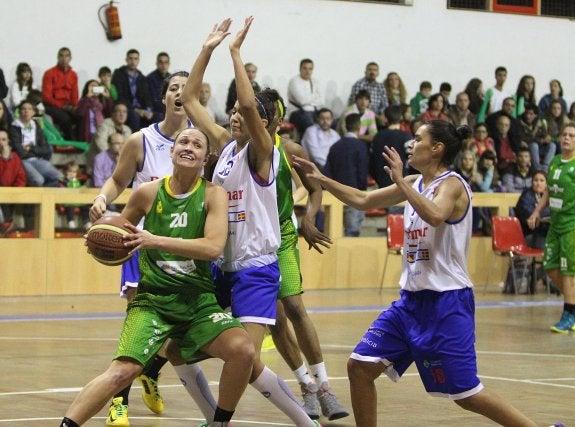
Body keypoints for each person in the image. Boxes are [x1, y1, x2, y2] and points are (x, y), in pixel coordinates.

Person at [292, 120, 542, 427]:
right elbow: (363, 199)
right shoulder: (414, 181)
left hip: (447, 304)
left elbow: (435, 215)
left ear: (435, 149)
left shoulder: (453, 185)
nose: (411, 143)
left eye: (418, 139)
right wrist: (322, 179)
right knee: (359, 367)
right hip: (409, 304)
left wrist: (402, 181)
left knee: (465, 394)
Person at [59, 128, 255, 427]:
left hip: (197, 303)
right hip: (152, 302)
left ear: (206, 158)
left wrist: (156, 240)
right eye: (183, 142)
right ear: (171, 152)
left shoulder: (215, 195)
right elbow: (122, 235)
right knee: (121, 372)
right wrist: (99, 233)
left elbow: (213, 247)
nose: (189, 147)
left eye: (197, 144)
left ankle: (219, 423)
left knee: (243, 350)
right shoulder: (147, 192)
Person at [179, 17, 321, 427]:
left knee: (246, 356)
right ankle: (299, 420)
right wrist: (206, 49)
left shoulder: (264, 153)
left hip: (256, 270)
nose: (238, 115)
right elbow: (189, 98)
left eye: (251, 114)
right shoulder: (224, 147)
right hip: (219, 267)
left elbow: (246, 106)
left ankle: (221, 421)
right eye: (239, 112)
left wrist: (236, 53)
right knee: (176, 349)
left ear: (265, 124)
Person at [89, 71, 192, 427]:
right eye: (174, 88)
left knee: (183, 334)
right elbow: (119, 179)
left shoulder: (202, 141)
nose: (180, 92)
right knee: (137, 325)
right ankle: (120, 400)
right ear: (164, 97)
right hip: (139, 244)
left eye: (186, 87)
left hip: (183, 249)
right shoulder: (141, 140)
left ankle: (152, 369)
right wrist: (103, 198)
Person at [528, 124, 575, 333]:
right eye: (564, 134)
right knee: (549, 266)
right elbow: (548, 191)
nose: (566, 138)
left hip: (571, 226)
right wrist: (537, 211)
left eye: (571, 135)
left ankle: (569, 314)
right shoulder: (555, 162)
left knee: (569, 271)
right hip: (555, 225)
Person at [505, 170, 550, 294]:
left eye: (541, 181)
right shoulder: (526, 196)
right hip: (528, 236)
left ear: (546, 184)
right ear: (531, 182)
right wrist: (543, 213)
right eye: (536, 180)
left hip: (544, 234)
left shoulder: (548, 197)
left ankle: (537, 276)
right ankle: (537, 277)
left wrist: (541, 214)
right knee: (553, 251)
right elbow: (530, 217)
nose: (538, 183)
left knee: (559, 252)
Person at [326, 113, 369, 237]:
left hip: (335, 191)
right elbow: (362, 171)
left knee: (334, 230)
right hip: (354, 192)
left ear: (345, 126)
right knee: (352, 229)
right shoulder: (360, 146)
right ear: (359, 127)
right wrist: (363, 190)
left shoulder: (335, 146)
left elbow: (328, 170)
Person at [9, 100, 63, 187]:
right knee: (38, 180)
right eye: (23, 109)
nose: (26, 111)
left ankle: (44, 196)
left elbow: (46, 149)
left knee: (60, 178)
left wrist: (31, 148)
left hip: (37, 159)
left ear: (33, 112)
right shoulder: (14, 127)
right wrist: (36, 150)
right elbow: (20, 152)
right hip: (22, 161)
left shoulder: (36, 126)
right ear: (19, 112)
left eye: (29, 109)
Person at [371, 105, 411, 189]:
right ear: (401, 117)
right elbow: (411, 161)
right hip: (401, 183)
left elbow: (372, 161)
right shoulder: (406, 137)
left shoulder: (377, 137)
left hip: (381, 183)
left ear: (386, 118)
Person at [42, 47, 79, 139]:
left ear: (70, 58)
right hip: (51, 106)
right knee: (65, 118)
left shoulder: (73, 75)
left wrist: (74, 106)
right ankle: (71, 143)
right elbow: (46, 97)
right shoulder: (49, 73)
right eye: (61, 56)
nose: (64, 58)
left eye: (67, 56)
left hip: (68, 106)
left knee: (82, 114)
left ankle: (84, 142)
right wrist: (62, 106)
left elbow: (75, 94)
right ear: (58, 57)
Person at [112, 49, 153, 132]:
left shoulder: (142, 77)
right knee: (134, 116)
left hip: (142, 109)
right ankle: (135, 142)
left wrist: (149, 110)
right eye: (130, 58)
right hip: (127, 108)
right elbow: (120, 96)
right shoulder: (118, 75)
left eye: (135, 59)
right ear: (126, 60)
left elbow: (147, 96)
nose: (133, 61)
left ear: (138, 60)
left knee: (158, 116)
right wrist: (136, 109)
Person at [87, 101, 131, 173]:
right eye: (118, 111)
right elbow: (101, 145)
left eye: (124, 112)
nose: (122, 114)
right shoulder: (103, 126)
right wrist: (116, 158)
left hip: (117, 164)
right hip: (99, 165)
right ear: (112, 114)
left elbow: (127, 148)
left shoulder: (127, 129)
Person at [287, 58, 323, 137]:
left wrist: (309, 99)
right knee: (311, 126)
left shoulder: (315, 81)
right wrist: (314, 98)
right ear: (300, 69)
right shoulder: (294, 81)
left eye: (310, 69)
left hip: (313, 111)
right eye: (305, 68)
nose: (307, 71)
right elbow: (302, 101)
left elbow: (320, 100)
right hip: (296, 112)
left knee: (328, 122)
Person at [0, 129, 26, 235]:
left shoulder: (15, 157)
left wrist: (16, 192)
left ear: (8, 142)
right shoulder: (6, 157)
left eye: (3, 139)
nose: (1, 142)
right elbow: (2, 179)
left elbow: (21, 177)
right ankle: (6, 223)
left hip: (10, 193)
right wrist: (5, 159)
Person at [300, 107, 339, 172]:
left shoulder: (335, 134)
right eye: (322, 118)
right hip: (315, 167)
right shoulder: (311, 131)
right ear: (317, 119)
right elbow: (315, 156)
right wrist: (330, 167)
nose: (325, 121)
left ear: (332, 120)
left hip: (332, 167)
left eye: (328, 119)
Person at [147, 52, 171, 123]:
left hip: (168, 108)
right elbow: (150, 99)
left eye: (166, 62)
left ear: (169, 64)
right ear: (157, 64)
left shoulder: (172, 78)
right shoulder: (150, 78)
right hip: (156, 110)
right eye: (161, 62)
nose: (163, 65)